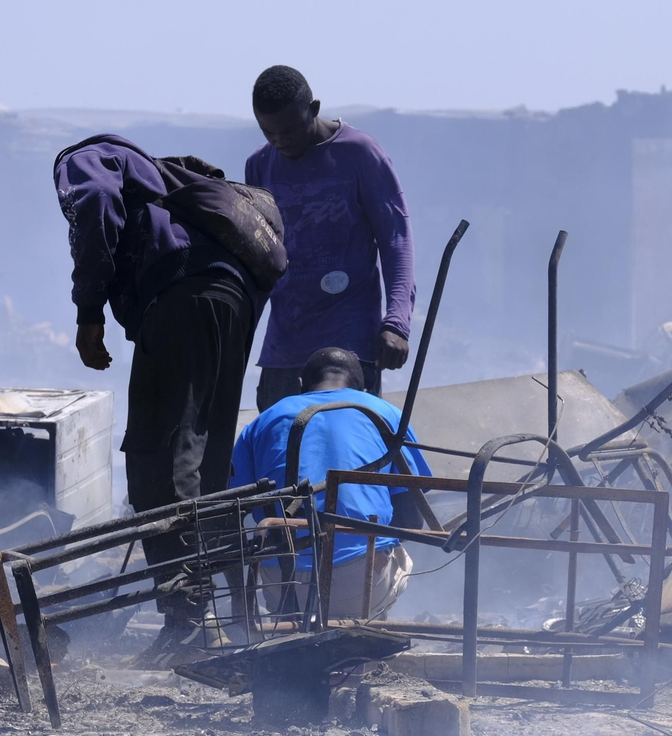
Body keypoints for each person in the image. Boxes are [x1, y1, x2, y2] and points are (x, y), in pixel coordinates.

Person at [53, 133, 263, 659]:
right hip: (232, 303)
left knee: (158, 458)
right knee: (207, 460)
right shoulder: (167, 184)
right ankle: (228, 620)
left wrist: (89, 311)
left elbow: (95, 202)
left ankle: (187, 623)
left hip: (178, 299)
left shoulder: (82, 158)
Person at [245, 65, 415, 409]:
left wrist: (397, 322)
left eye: (289, 129)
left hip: (348, 346)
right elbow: (259, 260)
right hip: (284, 349)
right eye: (268, 131)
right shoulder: (259, 166)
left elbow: (396, 240)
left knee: (342, 449)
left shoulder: (359, 153)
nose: (280, 140)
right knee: (280, 452)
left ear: (315, 108)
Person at [229, 347, 431, 620]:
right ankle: (367, 629)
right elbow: (411, 521)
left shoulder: (263, 421)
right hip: (360, 582)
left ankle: (290, 629)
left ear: (302, 385)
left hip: (284, 585)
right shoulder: (386, 414)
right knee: (398, 553)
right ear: (363, 388)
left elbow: (234, 503)